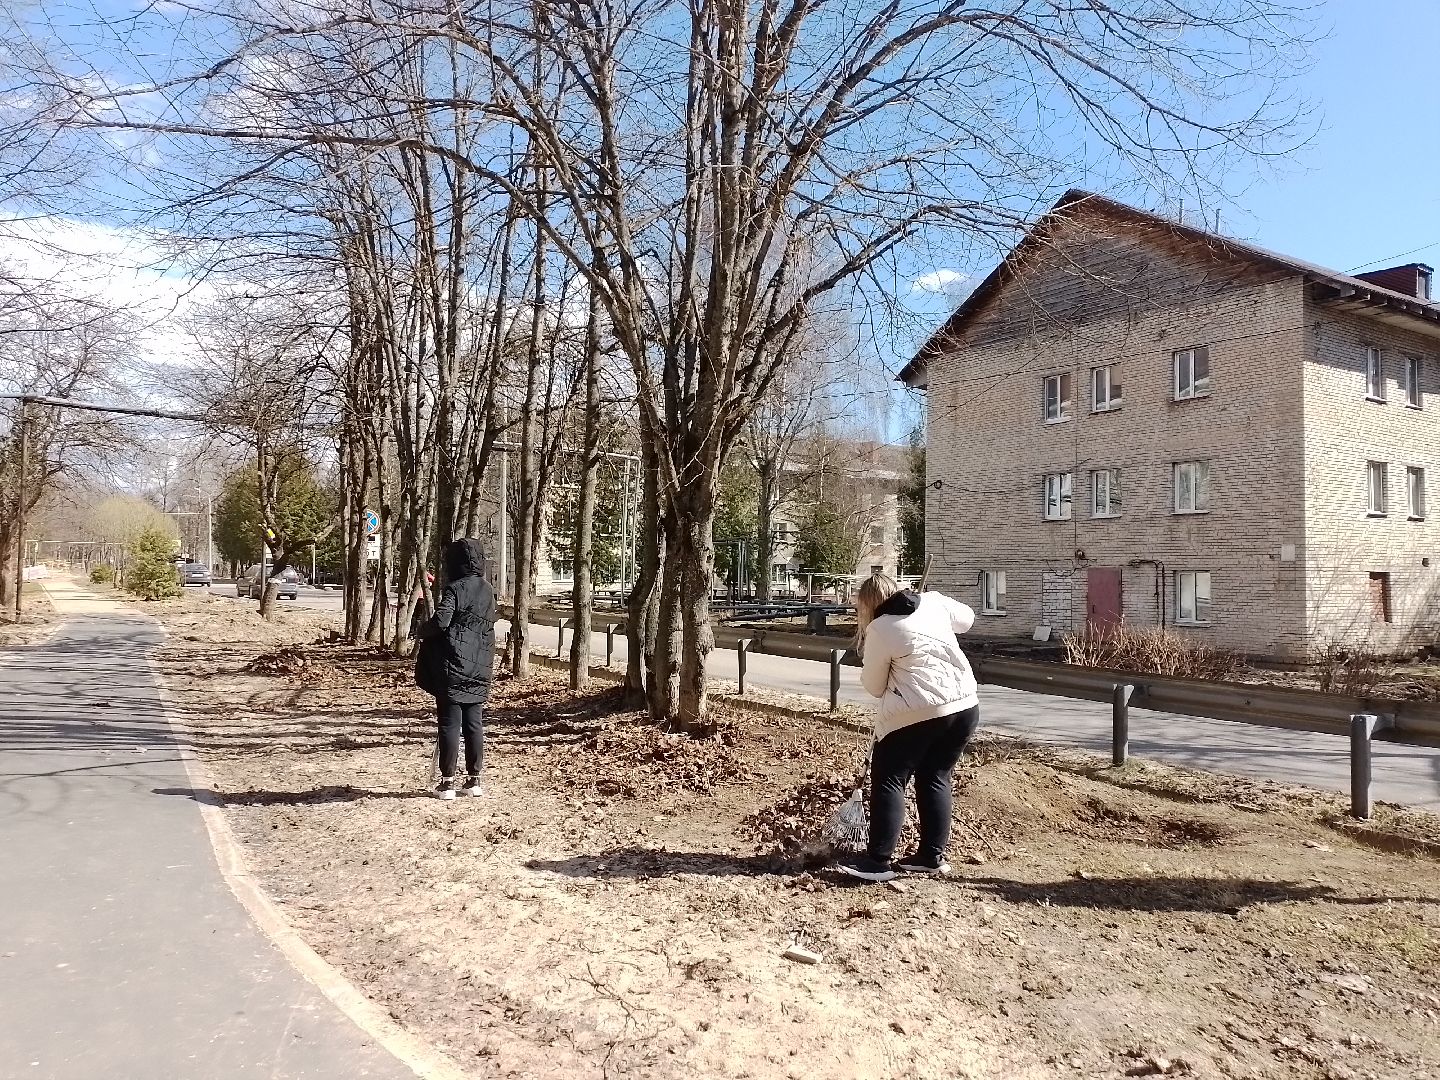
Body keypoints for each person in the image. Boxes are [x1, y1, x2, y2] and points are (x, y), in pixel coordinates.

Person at [837, 572, 980, 882]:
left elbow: (874, 686)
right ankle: (931, 857)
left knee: (889, 777)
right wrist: (933, 613)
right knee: (935, 776)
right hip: (965, 705)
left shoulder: (881, 627)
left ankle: (878, 861)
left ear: (867, 606)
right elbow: (967, 618)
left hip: (918, 711)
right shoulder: (934, 603)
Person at [414, 538, 497, 800]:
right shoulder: (488, 590)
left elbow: (441, 623)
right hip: (480, 666)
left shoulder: (454, 589)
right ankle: (474, 780)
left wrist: (420, 630)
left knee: (450, 723)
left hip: (452, 665)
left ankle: (447, 782)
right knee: (474, 724)